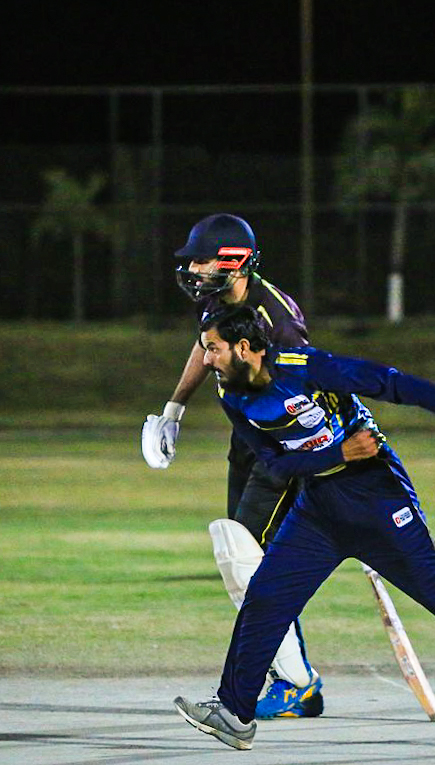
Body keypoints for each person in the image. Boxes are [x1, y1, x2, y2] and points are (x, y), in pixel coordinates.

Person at [173, 304, 435, 752]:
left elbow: (390, 382)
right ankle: (235, 712)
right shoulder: (231, 396)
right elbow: (274, 464)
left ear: (244, 348)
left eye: (213, 349)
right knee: (264, 598)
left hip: (378, 499)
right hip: (317, 511)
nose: (206, 360)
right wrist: (337, 455)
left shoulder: (306, 367)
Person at [141, 213, 324, 719]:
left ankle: (296, 681)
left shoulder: (276, 319)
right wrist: (175, 408)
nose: (193, 270)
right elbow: (206, 347)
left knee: (248, 561)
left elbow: (309, 389)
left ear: (233, 261)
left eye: (201, 260)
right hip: (247, 441)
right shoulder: (217, 301)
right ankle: (293, 680)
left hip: (282, 446)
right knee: (248, 562)